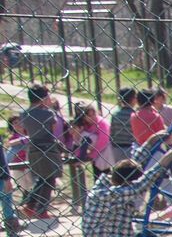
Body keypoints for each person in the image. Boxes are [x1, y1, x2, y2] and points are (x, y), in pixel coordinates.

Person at [19, 83, 66, 220]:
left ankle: (30, 204)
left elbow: (25, 130)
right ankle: (41, 209)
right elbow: (53, 127)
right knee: (49, 179)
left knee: (42, 179)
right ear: (43, 98)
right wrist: (50, 106)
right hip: (48, 148)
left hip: (33, 148)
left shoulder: (24, 114)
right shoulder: (48, 113)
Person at [70, 103, 113, 178]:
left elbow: (103, 141)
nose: (92, 117)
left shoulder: (102, 123)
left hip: (105, 149)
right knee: (97, 174)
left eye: (94, 114)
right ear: (84, 117)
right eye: (89, 116)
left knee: (104, 173)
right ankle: (79, 157)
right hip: (94, 150)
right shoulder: (84, 124)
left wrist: (91, 155)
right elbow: (77, 139)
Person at [108, 87, 137, 164]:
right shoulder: (135, 115)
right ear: (134, 99)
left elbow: (112, 133)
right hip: (131, 147)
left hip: (117, 148)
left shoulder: (115, 114)